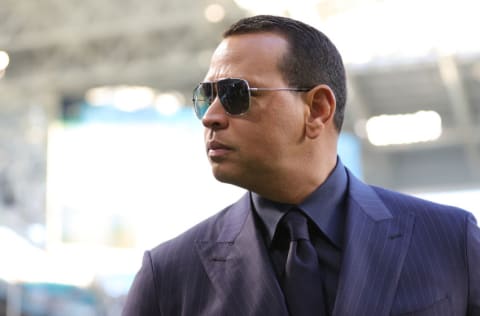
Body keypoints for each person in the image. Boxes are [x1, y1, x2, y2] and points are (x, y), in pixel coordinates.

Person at [122, 15, 480, 316]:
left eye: (235, 94)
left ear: (317, 109)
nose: (210, 117)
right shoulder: (169, 276)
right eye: (206, 97)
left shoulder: (451, 241)